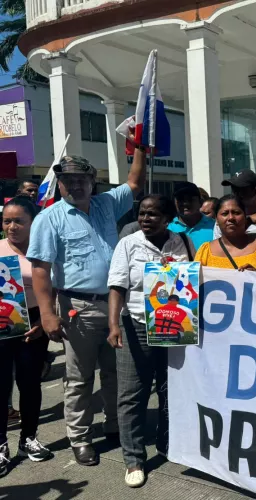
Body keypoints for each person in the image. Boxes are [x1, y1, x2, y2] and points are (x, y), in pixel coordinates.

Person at [27, 147, 147, 467]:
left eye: (81, 179)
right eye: (67, 180)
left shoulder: (106, 203)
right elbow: (40, 268)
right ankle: (80, 438)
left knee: (115, 374)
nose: (75, 185)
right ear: (59, 183)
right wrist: (48, 314)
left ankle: (113, 426)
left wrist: (140, 149)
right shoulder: (48, 218)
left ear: (93, 182)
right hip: (77, 309)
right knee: (79, 378)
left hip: (115, 306)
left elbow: (135, 181)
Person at [107, 195, 190, 488]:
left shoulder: (182, 243)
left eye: (153, 214)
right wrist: (114, 324)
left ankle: (167, 444)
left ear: (168, 218)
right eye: (142, 213)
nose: (145, 219)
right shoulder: (128, 244)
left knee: (171, 390)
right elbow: (117, 286)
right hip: (137, 326)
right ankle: (133, 459)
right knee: (132, 393)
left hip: (173, 326)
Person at [0, 197, 52, 478]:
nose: (12, 226)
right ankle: (0, 445)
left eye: (19, 221)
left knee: (30, 384)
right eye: (7, 221)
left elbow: (56, 290)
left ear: (33, 223)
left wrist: (45, 321)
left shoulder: (43, 252)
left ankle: (28, 439)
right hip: (1, 323)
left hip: (34, 322)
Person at [195, 195, 256, 273]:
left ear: (245, 217)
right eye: (225, 213)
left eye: (236, 213)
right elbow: (194, 285)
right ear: (217, 220)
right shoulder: (205, 251)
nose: (231, 218)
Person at [213, 170, 256, 238]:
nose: (236, 194)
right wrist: (249, 220)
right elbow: (221, 245)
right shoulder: (225, 218)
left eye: (242, 189)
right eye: (234, 189)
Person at [167, 182, 215, 255]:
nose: (185, 203)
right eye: (181, 199)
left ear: (201, 202)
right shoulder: (167, 229)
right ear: (174, 203)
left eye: (190, 199)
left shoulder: (215, 227)